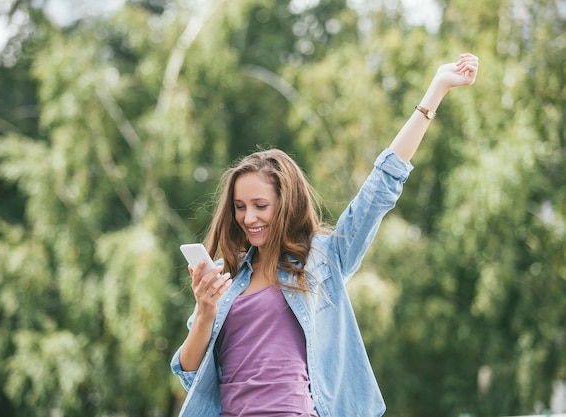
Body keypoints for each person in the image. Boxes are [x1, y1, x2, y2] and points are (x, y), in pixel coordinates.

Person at [171, 53, 479, 417]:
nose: (248, 217)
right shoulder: (225, 275)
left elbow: (380, 188)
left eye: (260, 206)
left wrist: (435, 91)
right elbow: (190, 374)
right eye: (240, 207)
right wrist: (205, 311)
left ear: (285, 204)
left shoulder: (323, 259)